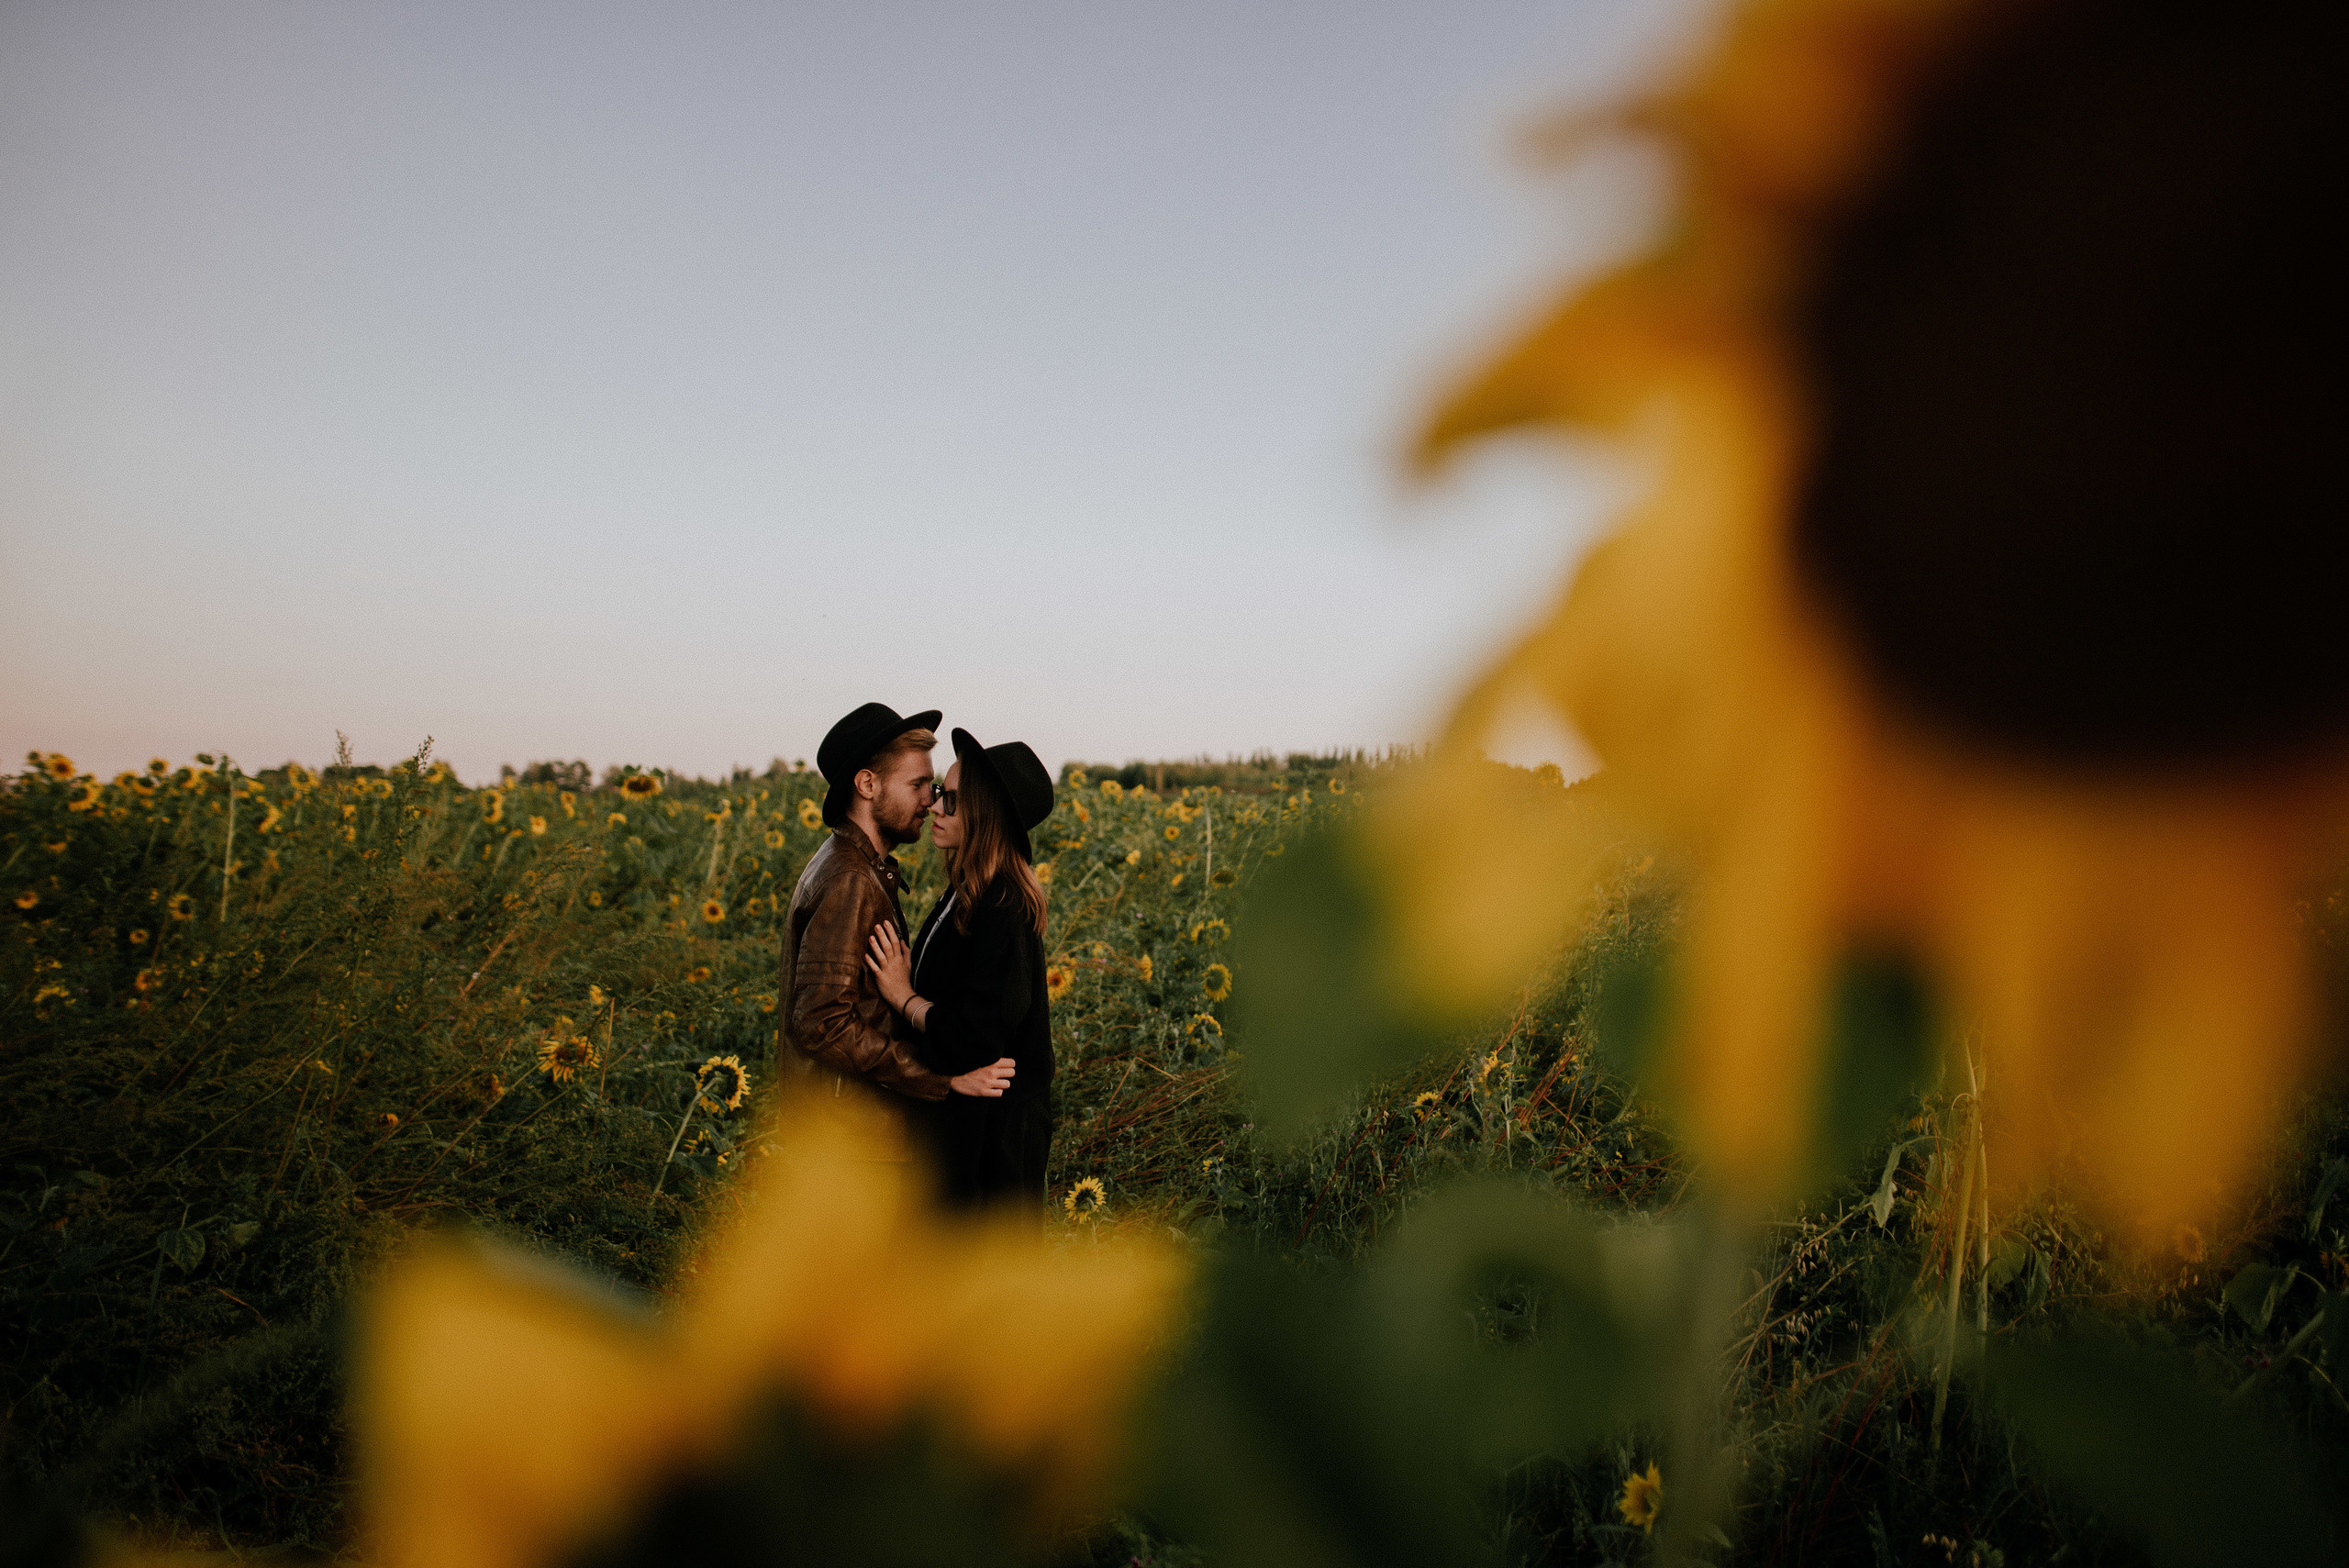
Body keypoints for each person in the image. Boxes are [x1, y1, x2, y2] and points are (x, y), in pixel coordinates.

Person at [778, 703, 1015, 1155]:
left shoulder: (848, 863)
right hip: (848, 1133)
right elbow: (819, 1024)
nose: (931, 800)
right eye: (917, 785)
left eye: (933, 785)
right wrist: (939, 1079)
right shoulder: (850, 878)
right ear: (868, 784)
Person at [865, 728, 1056, 1211]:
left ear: (984, 817)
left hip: (994, 1149)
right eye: (935, 794)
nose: (934, 807)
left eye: (949, 800)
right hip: (968, 1129)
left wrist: (903, 997)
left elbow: (977, 1036)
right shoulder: (971, 890)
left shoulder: (1003, 906)